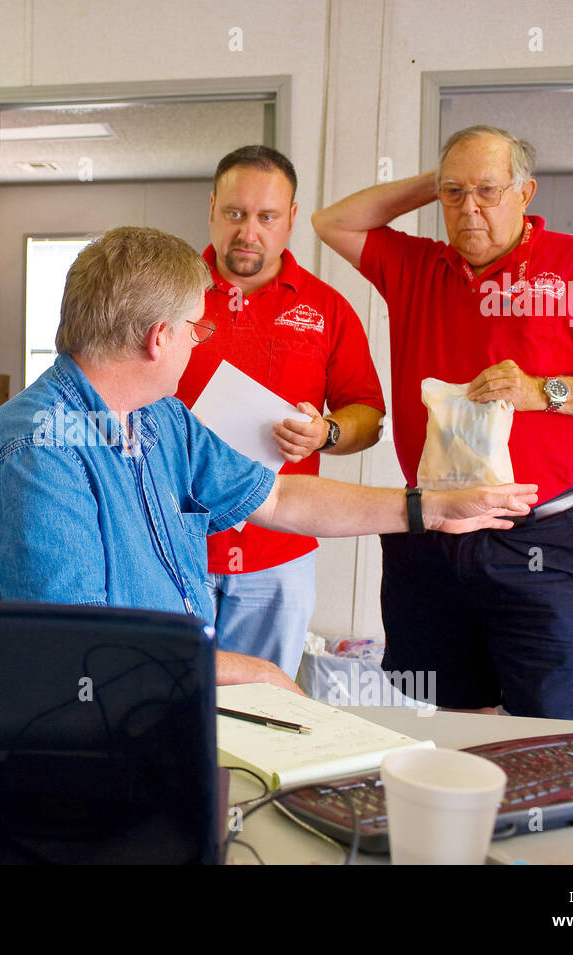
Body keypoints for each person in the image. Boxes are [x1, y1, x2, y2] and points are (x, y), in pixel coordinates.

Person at [0, 225, 538, 692]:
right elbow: (82, 647)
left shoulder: (159, 419)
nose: (199, 341)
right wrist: (258, 672)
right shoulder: (39, 447)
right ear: (158, 338)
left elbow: (281, 497)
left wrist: (432, 509)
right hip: (87, 735)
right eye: (197, 327)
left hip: (162, 701)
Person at [312, 124, 573, 720]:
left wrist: (544, 392)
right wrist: (441, 179)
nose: (469, 209)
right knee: (439, 715)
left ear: (525, 193)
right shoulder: (418, 267)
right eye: (454, 194)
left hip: (545, 538)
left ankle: (543, 814)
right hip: (431, 534)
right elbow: (334, 222)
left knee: (551, 724)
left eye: (487, 191)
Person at [175, 146, 385, 678]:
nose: (248, 232)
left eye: (266, 217)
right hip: (172, 544)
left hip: (278, 554)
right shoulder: (168, 295)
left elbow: (368, 415)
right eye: (235, 213)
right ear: (212, 209)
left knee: (261, 714)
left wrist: (327, 432)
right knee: (165, 704)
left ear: (291, 219)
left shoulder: (326, 307)